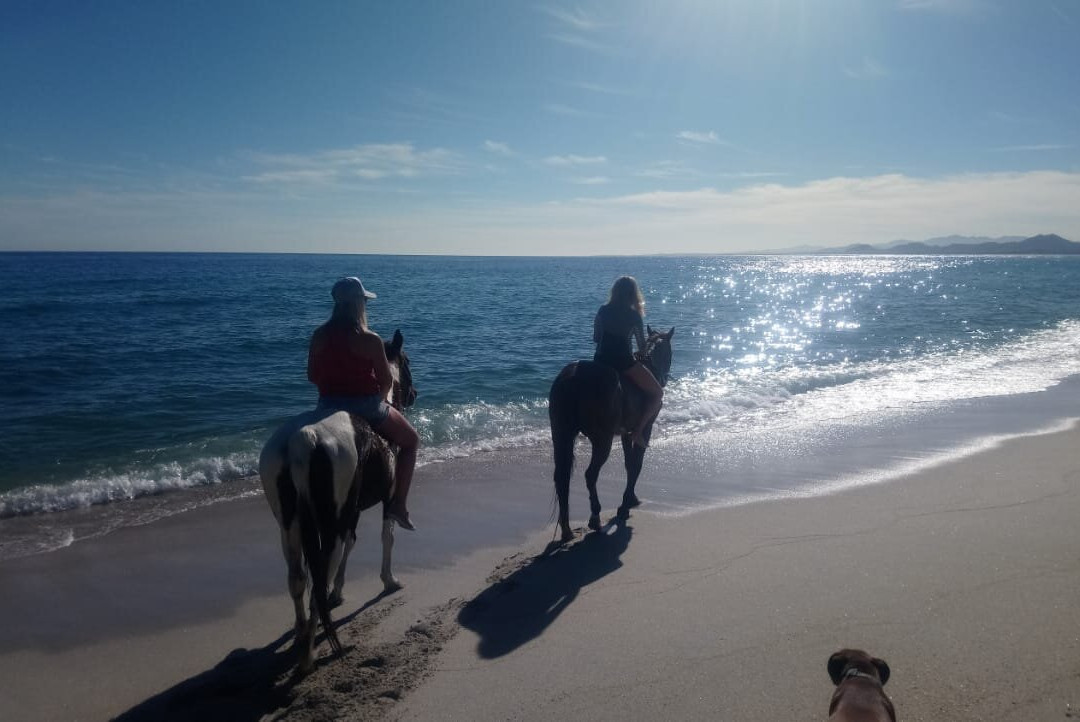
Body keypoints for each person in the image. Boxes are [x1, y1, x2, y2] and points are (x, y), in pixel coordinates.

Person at [307, 276, 419, 530]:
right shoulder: (369, 339)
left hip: (326, 407)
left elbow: (312, 376)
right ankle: (399, 505)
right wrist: (378, 402)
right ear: (359, 304)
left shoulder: (319, 335)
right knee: (411, 441)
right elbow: (386, 382)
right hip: (365, 406)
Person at [593, 275, 663, 448]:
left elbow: (596, 338)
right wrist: (649, 342)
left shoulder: (603, 310)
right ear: (633, 294)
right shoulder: (634, 316)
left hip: (600, 361)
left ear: (614, 292)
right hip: (622, 363)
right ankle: (638, 431)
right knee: (657, 393)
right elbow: (641, 348)